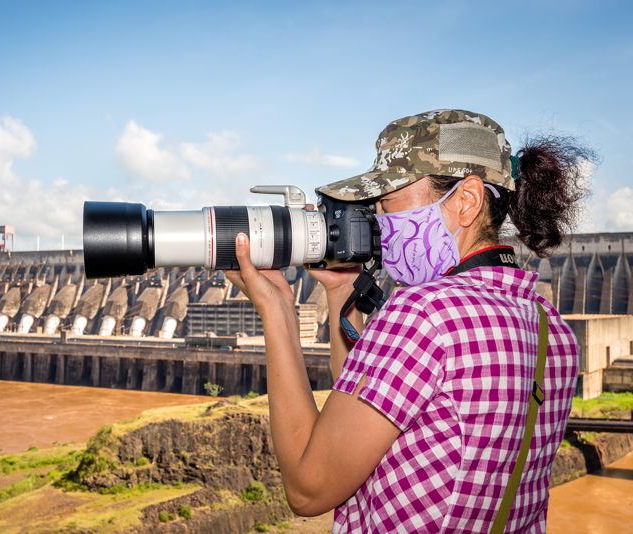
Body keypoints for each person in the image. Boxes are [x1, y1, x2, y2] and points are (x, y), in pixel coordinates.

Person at [225, 109, 591, 533]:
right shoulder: (550, 327)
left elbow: (309, 490)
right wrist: (342, 291)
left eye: (387, 201)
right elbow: (366, 412)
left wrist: (277, 310)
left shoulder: (424, 313)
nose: (378, 220)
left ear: (466, 201)